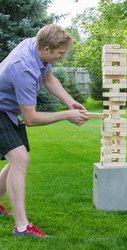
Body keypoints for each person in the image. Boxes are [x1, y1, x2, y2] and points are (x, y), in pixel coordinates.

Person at [0, 24, 90, 237]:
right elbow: (31, 118)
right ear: (47, 48)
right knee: (20, 159)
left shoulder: (36, 46)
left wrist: (70, 102)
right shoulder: (24, 68)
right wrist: (66, 115)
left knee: (18, 159)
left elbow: (48, 78)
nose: (62, 57)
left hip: (9, 109)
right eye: (60, 53)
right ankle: (22, 227)